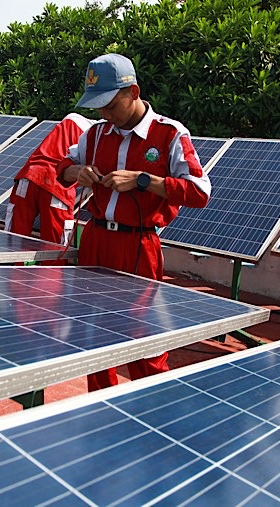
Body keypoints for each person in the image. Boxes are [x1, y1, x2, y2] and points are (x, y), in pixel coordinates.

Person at [57, 53, 212, 391]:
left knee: (142, 338)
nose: (103, 113)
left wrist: (144, 180)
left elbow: (200, 192)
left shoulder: (169, 134)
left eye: (110, 104)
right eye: (98, 107)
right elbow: (63, 168)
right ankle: (99, 407)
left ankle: (151, 408)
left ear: (133, 92)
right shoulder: (96, 135)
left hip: (139, 246)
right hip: (96, 240)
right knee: (92, 334)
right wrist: (77, 172)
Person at [4, 113, 95, 259]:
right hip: (57, 186)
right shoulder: (98, 135)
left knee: (14, 244)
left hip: (28, 176)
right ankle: (51, 281)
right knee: (54, 250)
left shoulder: (70, 119)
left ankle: (11, 278)